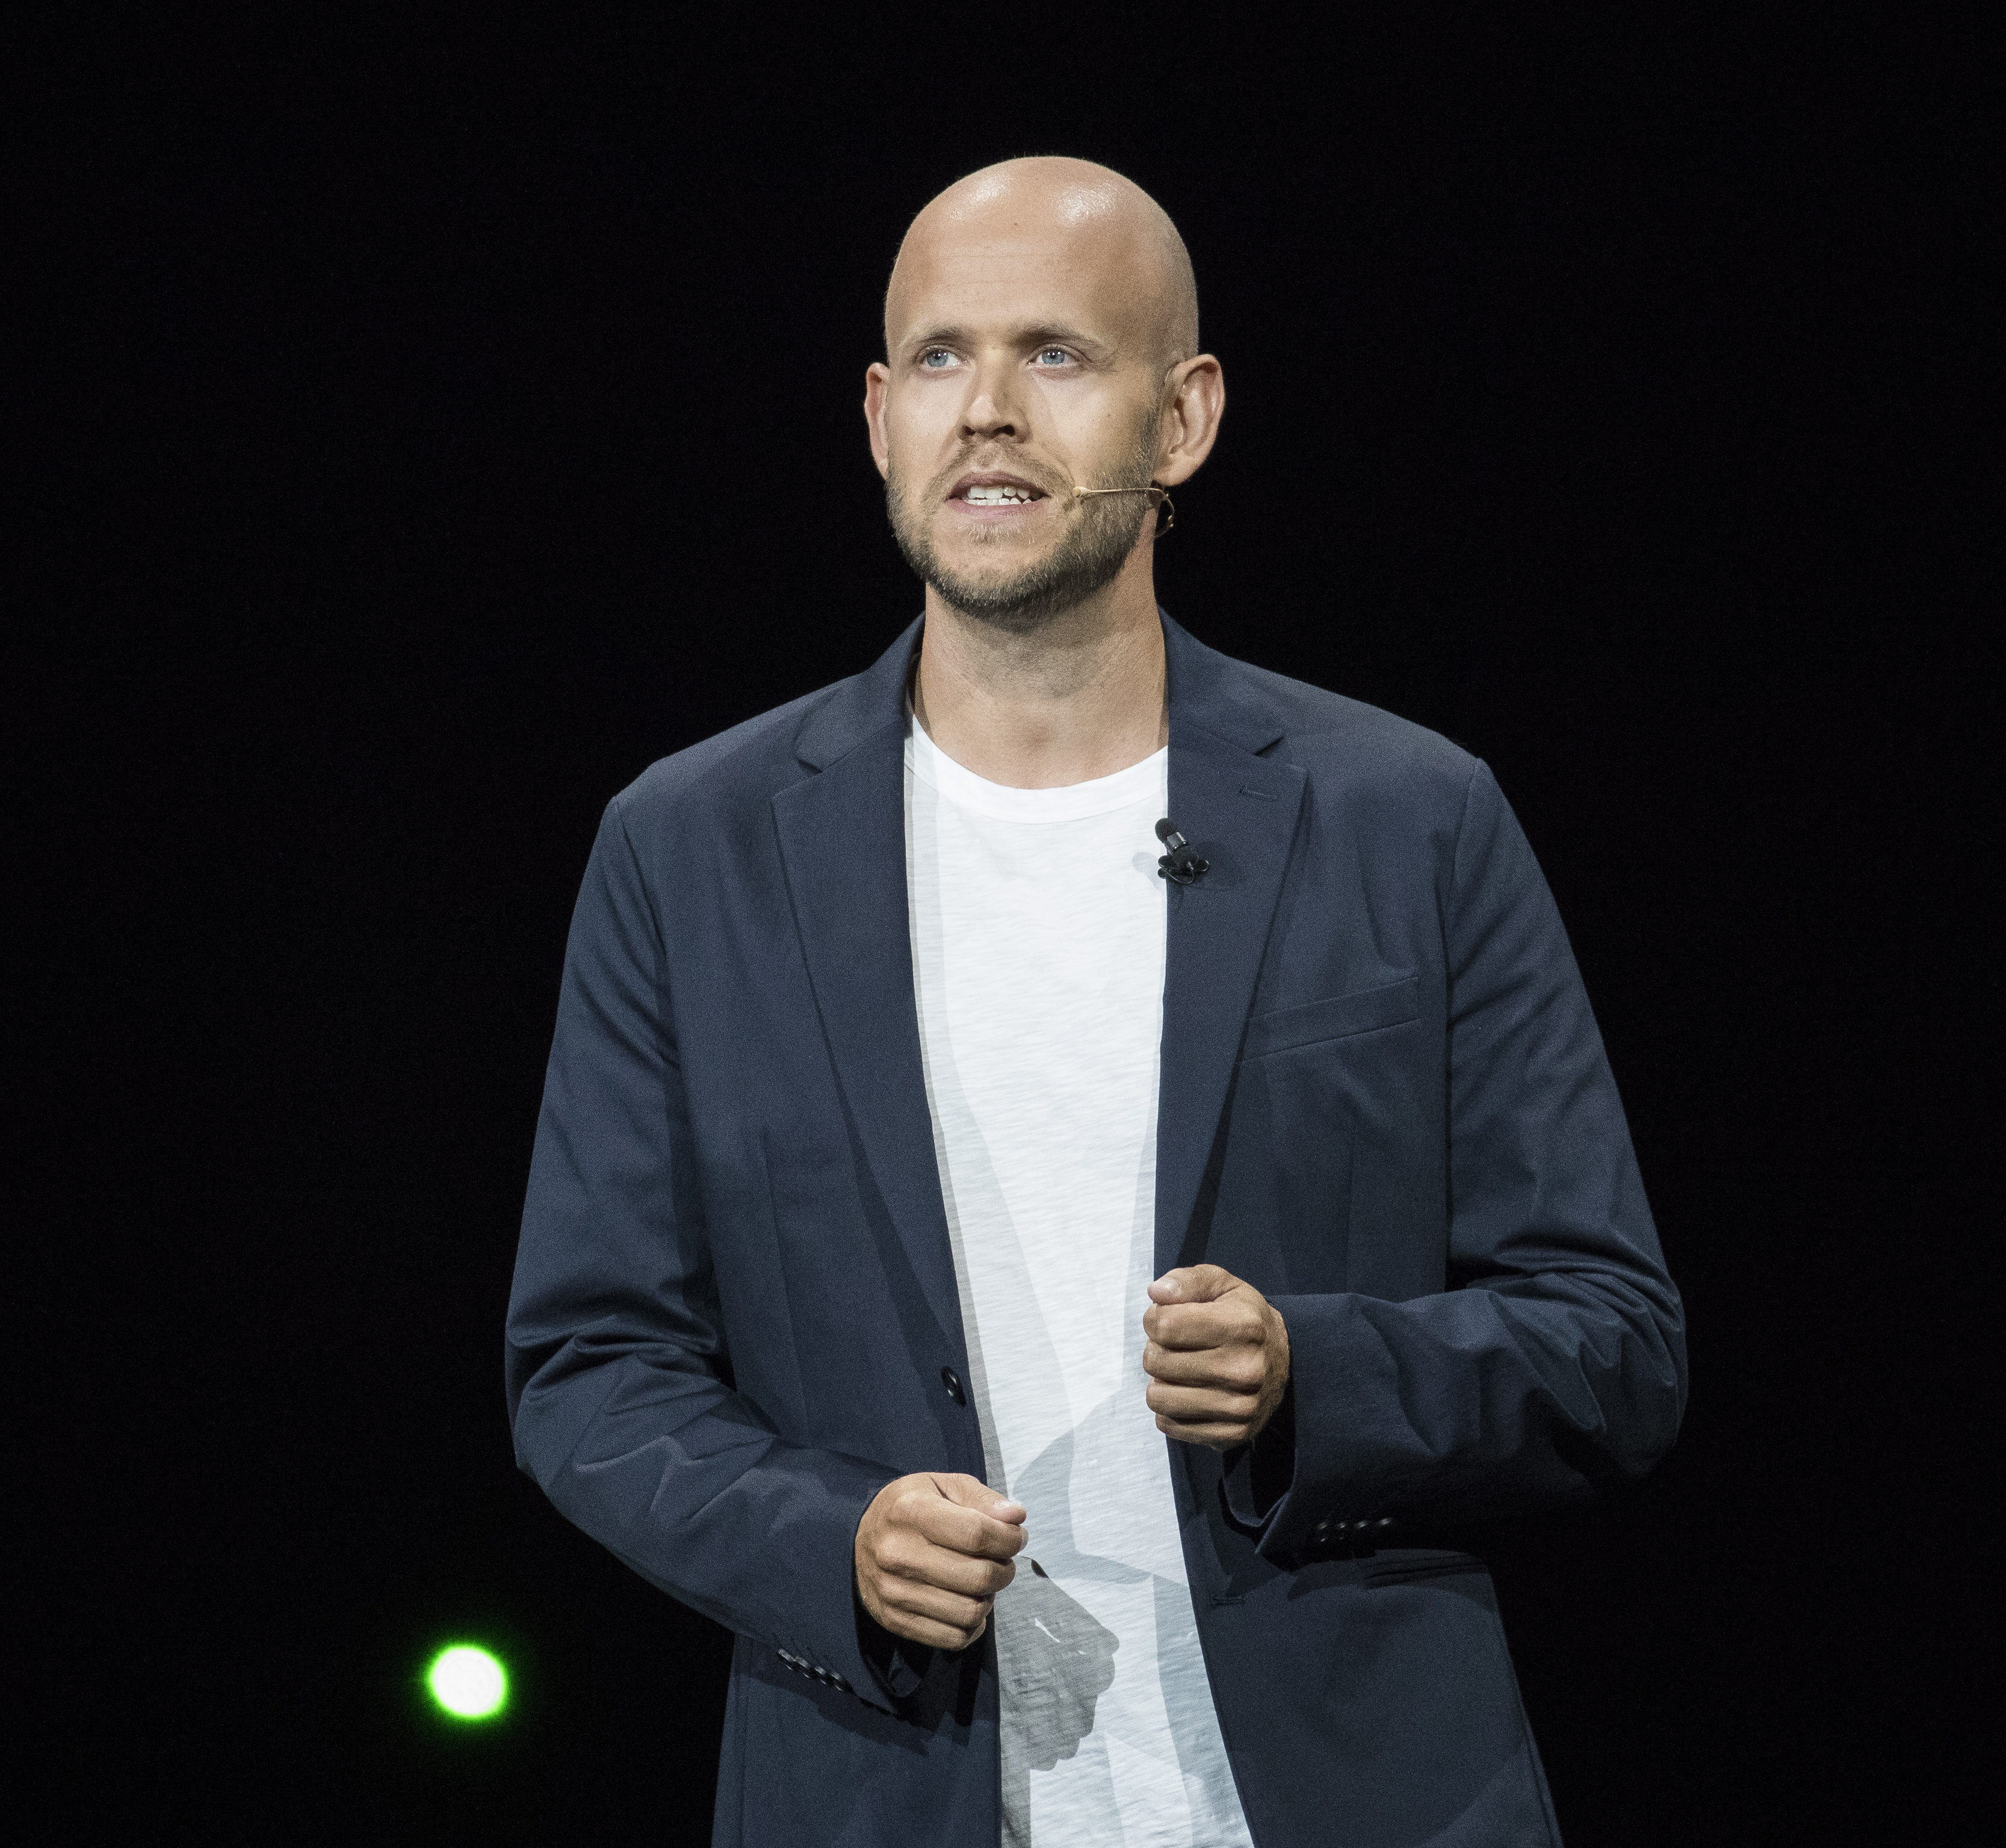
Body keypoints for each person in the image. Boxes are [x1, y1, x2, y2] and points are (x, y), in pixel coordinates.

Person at [504, 156, 1683, 1848]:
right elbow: (588, 1366)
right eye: (936, 358)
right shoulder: (687, 849)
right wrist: (826, 1542)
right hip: (885, 1790)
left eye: (1056, 355)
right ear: (875, 414)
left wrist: (1312, 1374)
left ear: (1183, 417)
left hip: (1363, 1791)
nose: (984, 411)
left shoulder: (1406, 816)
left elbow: (1616, 1342)